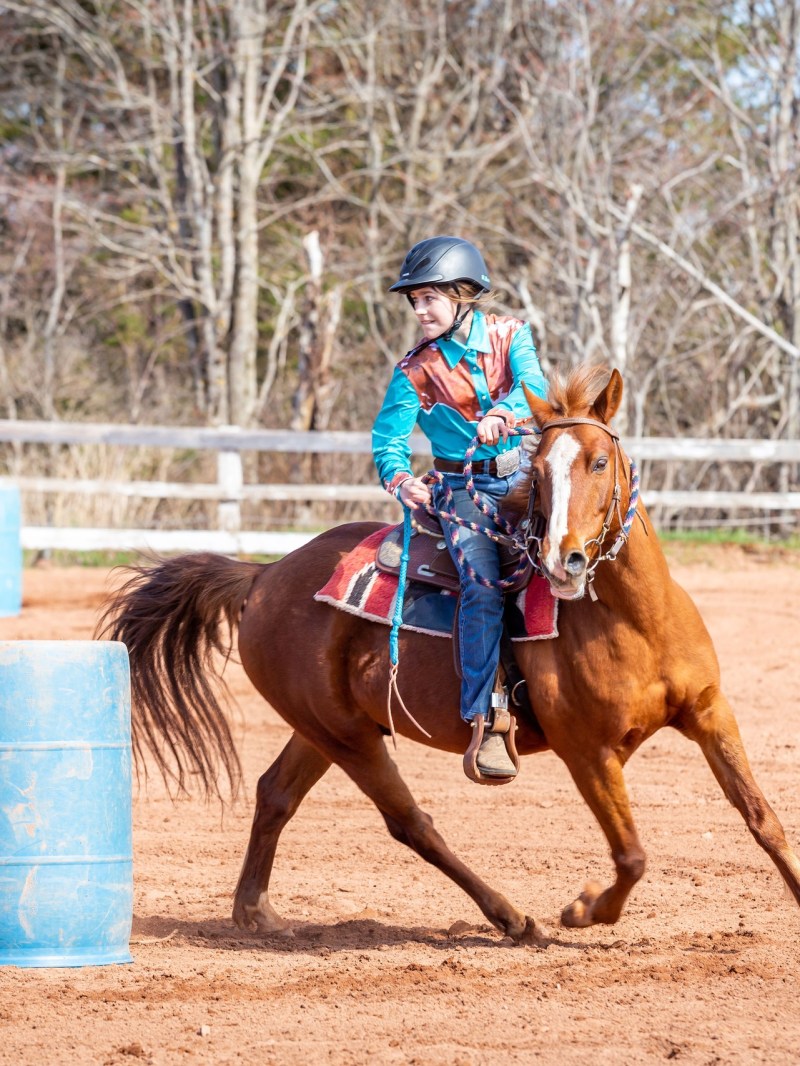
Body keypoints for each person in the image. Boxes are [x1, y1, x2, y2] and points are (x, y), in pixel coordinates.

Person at [372, 235, 548, 781]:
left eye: (429, 298)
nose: (420, 310)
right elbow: (388, 440)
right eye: (415, 300)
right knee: (482, 585)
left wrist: (507, 411)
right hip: (460, 491)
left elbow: (534, 385)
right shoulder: (414, 372)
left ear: (462, 295)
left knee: (580, 549)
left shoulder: (510, 335)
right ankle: (486, 718)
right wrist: (401, 480)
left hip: (521, 476)